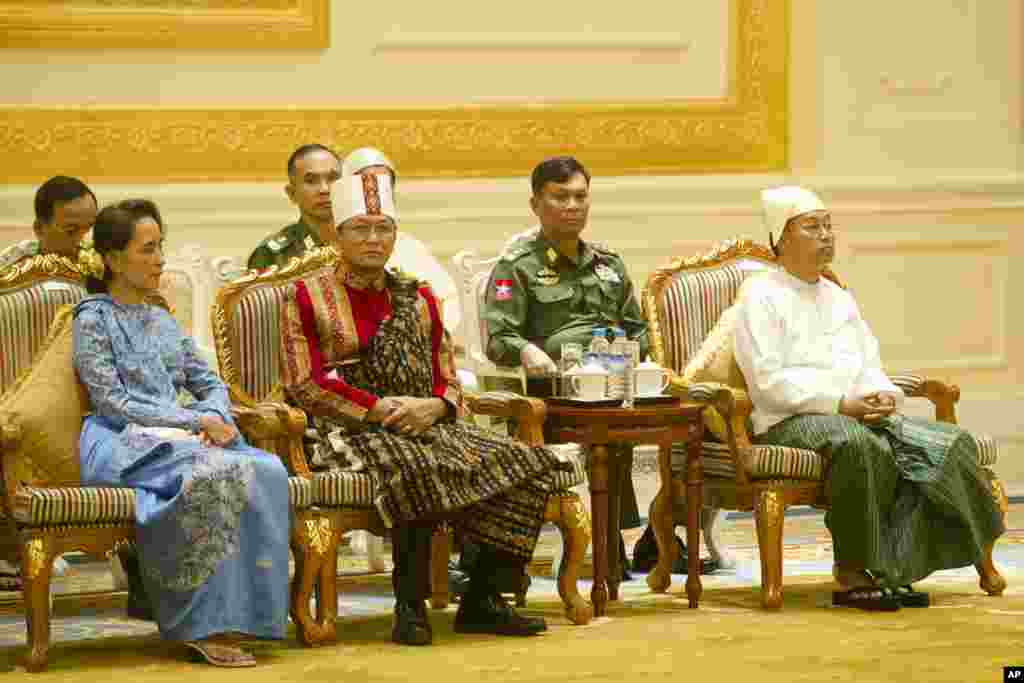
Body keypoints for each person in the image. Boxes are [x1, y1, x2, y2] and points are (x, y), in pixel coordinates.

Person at [280, 172, 566, 645]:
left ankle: (483, 599)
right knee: (418, 467)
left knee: (528, 462)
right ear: (338, 234)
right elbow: (304, 383)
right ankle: (409, 606)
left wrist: (435, 406)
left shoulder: (419, 296)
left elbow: (448, 376)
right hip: (347, 429)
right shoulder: (307, 295)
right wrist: (380, 409)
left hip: (428, 421)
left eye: (383, 228)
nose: (373, 239)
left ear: (396, 235)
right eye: (360, 228)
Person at [733, 185, 1006, 610]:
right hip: (790, 420)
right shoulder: (759, 295)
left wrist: (880, 394)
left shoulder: (839, 297)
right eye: (812, 227)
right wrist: (841, 404)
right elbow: (768, 382)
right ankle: (854, 571)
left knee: (947, 444)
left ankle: (897, 565)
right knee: (860, 444)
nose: (826, 236)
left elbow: (869, 362)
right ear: (782, 238)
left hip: (856, 412)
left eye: (828, 226)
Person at [73, 199, 290, 666]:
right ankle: (201, 625)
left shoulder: (161, 317)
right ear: (112, 259)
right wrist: (195, 422)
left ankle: (249, 618)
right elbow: (113, 402)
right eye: (147, 250)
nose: (160, 260)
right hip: (121, 441)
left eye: (160, 248)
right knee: (213, 476)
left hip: (181, 438)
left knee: (267, 468)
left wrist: (215, 415)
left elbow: (207, 381)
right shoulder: (92, 319)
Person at [483, 156, 711, 580]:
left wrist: (640, 356)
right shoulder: (516, 266)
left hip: (615, 385)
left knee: (688, 416)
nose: (572, 205)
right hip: (556, 393)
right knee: (610, 432)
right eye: (560, 197)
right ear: (536, 204)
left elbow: (639, 328)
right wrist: (527, 352)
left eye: (580, 196)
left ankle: (645, 542)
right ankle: (608, 548)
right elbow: (499, 339)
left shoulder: (609, 263)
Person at [246, 144, 341, 272]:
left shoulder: (366, 243)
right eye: (311, 181)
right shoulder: (271, 254)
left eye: (332, 179)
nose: (324, 189)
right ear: (292, 193)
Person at [0, 175, 100, 272]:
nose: (84, 239)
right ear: (39, 228)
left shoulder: (106, 260)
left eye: (90, 227)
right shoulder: (10, 268)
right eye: (71, 230)